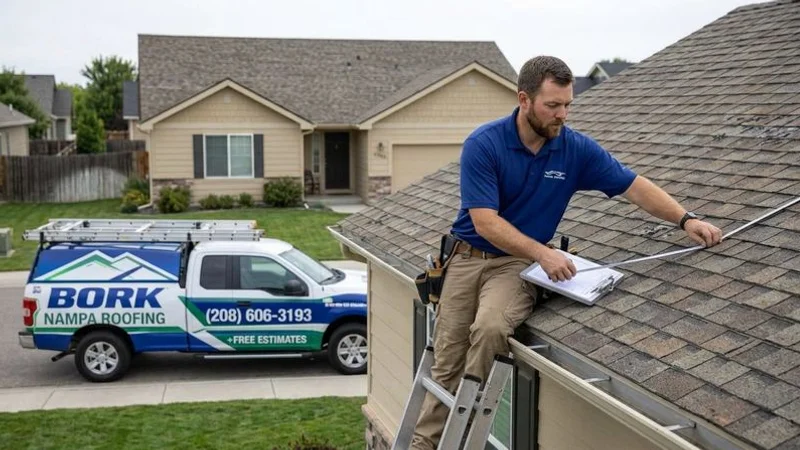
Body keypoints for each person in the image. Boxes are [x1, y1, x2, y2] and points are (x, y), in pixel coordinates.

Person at [410, 55, 722, 449]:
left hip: (516, 266)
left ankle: (462, 436)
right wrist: (544, 252)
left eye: (568, 105)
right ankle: (424, 444)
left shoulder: (574, 150)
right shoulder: (485, 144)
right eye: (553, 106)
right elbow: (486, 221)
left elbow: (633, 186)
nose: (563, 115)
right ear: (525, 100)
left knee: (489, 329)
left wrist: (685, 219)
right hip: (467, 258)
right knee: (447, 362)